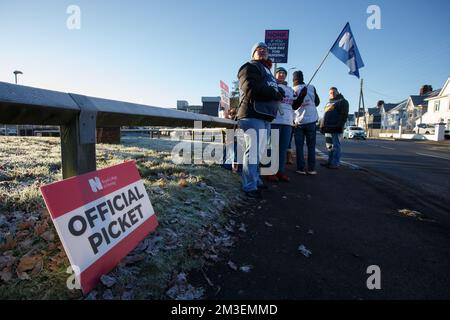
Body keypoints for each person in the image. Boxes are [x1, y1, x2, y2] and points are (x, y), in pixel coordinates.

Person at [236, 42, 285, 198]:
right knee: (253, 152)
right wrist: (274, 93)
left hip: (265, 116)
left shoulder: (268, 71)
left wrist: (279, 91)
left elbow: (270, 89)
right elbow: (250, 89)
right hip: (251, 114)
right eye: (259, 50)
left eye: (265, 50)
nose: (262, 51)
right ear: (253, 54)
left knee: (259, 152)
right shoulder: (249, 67)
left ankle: (255, 180)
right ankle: (249, 186)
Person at [266, 67, 295, 182]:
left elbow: (294, 104)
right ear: (275, 74)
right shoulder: (271, 85)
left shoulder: (290, 89)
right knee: (272, 148)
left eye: (284, 73)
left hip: (287, 122)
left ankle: (280, 172)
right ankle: (269, 172)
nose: (282, 75)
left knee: (283, 149)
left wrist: (301, 96)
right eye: (279, 73)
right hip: (275, 120)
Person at [291, 71, 321, 175]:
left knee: (299, 146)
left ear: (293, 79)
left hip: (299, 122)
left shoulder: (292, 90)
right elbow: (317, 102)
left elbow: (292, 106)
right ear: (302, 78)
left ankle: (301, 168)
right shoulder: (311, 87)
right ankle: (312, 169)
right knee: (311, 146)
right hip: (312, 120)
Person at [320, 87, 349, 169]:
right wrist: (322, 126)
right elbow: (324, 116)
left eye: (334, 92)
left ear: (337, 92)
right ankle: (330, 162)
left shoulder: (343, 101)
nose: (332, 94)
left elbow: (344, 115)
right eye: (330, 93)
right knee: (329, 147)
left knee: (336, 146)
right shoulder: (328, 103)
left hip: (336, 128)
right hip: (327, 128)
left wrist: (339, 125)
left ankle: (335, 163)